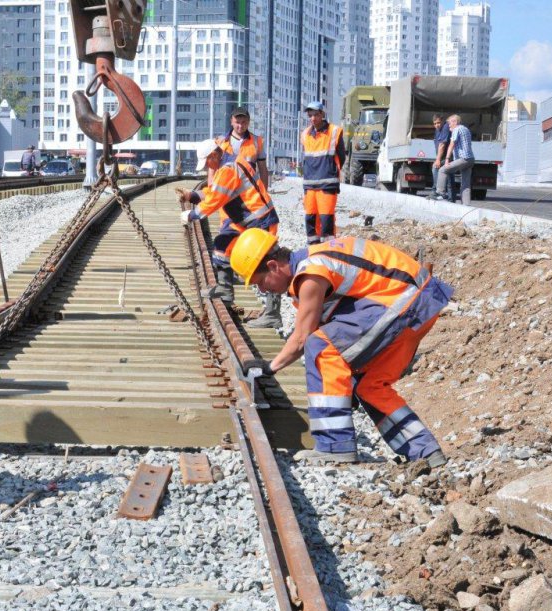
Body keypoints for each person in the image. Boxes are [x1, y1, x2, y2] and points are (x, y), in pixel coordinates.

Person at [229, 229, 452, 467]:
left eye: (260, 282)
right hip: (418, 304)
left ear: (273, 266)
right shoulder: (313, 267)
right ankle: (425, 452)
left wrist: (269, 367)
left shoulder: (311, 273)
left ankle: (334, 445)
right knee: (369, 385)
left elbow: (303, 338)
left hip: (404, 300)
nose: (263, 290)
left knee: (321, 345)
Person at [177, 139, 281, 328]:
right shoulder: (227, 165)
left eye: (207, 162)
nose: (207, 167)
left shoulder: (227, 169)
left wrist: (192, 215)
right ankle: (225, 290)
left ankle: (273, 313)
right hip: (246, 221)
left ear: (214, 155)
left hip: (261, 221)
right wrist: (193, 196)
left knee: (267, 264)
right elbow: (216, 191)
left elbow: (215, 200)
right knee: (222, 245)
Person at [300, 100, 345, 244]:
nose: (313, 118)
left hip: (327, 184)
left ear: (322, 114)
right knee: (310, 219)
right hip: (310, 185)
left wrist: (330, 171)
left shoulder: (334, 132)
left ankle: (328, 248)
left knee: (326, 219)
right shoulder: (305, 134)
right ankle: (313, 249)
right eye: (310, 115)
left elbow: (341, 157)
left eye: (316, 115)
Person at [211, 106, 269, 188]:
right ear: (231, 121)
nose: (240, 126)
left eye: (244, 122)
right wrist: (211, 189)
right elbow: (212, 168)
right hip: (224, 190)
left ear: (248, 122)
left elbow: (263, 169)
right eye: (237, 122)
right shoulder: (220, 141)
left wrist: (264, 193)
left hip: (248, 192)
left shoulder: (257, 141)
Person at [432, 114, 474, 204]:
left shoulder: (457, 129)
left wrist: (447, 159)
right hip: (470, 159)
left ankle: (440, 193)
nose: (449, 125)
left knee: (443, 170)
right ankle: (466, 206)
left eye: (450, 123)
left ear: (455, 122)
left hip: (463, 159)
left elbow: (452, 144)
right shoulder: (466, 129)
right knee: (465, 185)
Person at [431, 114, 452, 199]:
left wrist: (438, 160)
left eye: (438, 122)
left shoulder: (445, 127)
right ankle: (449, 197)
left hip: (448, 157)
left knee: (435, 168)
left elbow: (442, 144)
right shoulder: (437, 130)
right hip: (443, 157)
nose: (437, 125)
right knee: (449, 178)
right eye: (435, 123)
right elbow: (439, 144)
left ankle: (437, 191)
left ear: (442, 121)